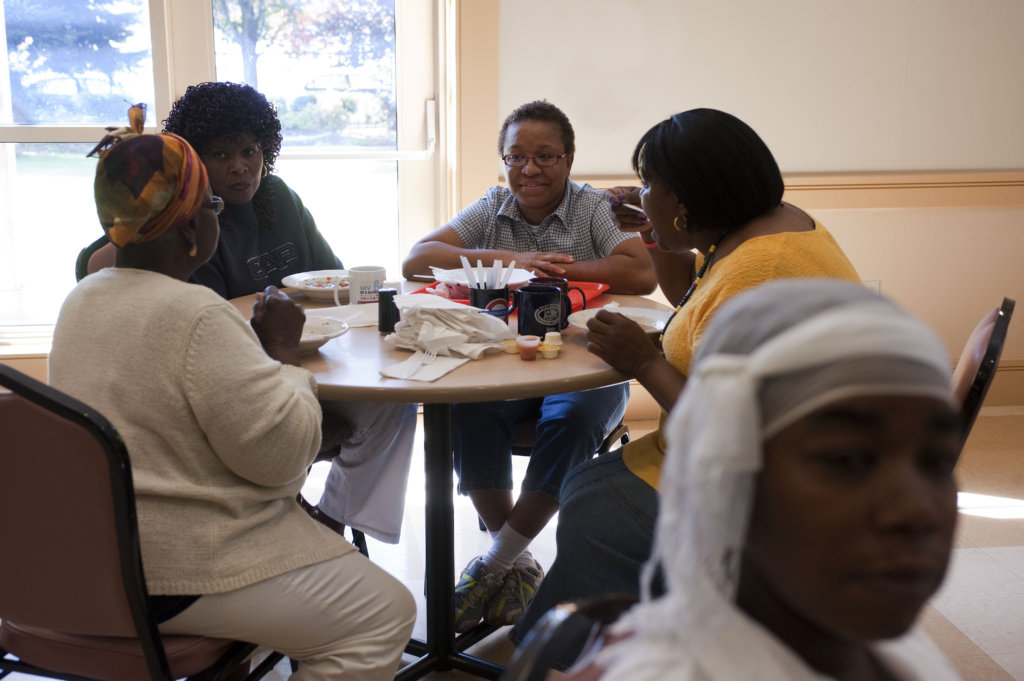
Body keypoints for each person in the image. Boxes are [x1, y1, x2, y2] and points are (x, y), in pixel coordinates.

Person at [48, 106, 416, 680]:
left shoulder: (83, 299)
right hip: (177, 566)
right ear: (195, 226)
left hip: (91, 550)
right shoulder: (197, 313)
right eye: (213, 204)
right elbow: (281, 461)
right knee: (384, 613)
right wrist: (281, 355)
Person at [511, 108, 862, 658]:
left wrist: (644, 364)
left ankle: (568, 656)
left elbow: (739, 430)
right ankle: (572, 646)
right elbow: (692, 305)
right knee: (585, 485)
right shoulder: (768, 227)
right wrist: (655, 234)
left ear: (687, 200)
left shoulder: (762, 271)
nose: (639, 193)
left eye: (650, 185)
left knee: (594, 509)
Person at [557, 278, 963, 680]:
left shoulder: (897, 651)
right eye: (847, 459)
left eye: (938, 461)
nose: (916, 511)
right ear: (730, 471)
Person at [402, 100, 657, 632]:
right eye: (516, 156)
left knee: (571, 419)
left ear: (567, 160)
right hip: (507, 364)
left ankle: (493, 564)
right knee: (465, 407)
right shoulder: (494, 204)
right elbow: (416, 258)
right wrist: (516, 261)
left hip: (587, 364)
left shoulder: (592, 207)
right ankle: (515, 562)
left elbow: (640, 272)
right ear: (503, 160)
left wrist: (556, 271)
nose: (530, 169)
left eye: (545, 156)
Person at [161, 81, 417, 546]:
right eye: (220, 155)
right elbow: (212, 329)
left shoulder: (278, 197)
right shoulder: (192, 220)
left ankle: (330, 522)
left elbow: (331, 276)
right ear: (194, 160)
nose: (240, 167)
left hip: (309, 359)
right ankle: (297, 520)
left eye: (250, 150)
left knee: (393, 402)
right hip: (242, 379)